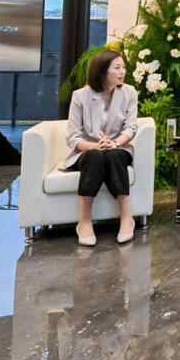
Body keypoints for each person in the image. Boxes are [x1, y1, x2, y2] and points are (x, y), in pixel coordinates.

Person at [63, 50, 139, 247]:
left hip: (118, 147)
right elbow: (73, 137)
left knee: (114, 155)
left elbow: (131, 127)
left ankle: (126, 218)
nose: (123, 72)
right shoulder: (80, 96)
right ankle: (84, 221)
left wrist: (116, 143)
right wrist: (95, 146)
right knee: (95, 156)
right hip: (87, 150)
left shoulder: (129, 93)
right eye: (117, 68)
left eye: (124, 67)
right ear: (102, 71)